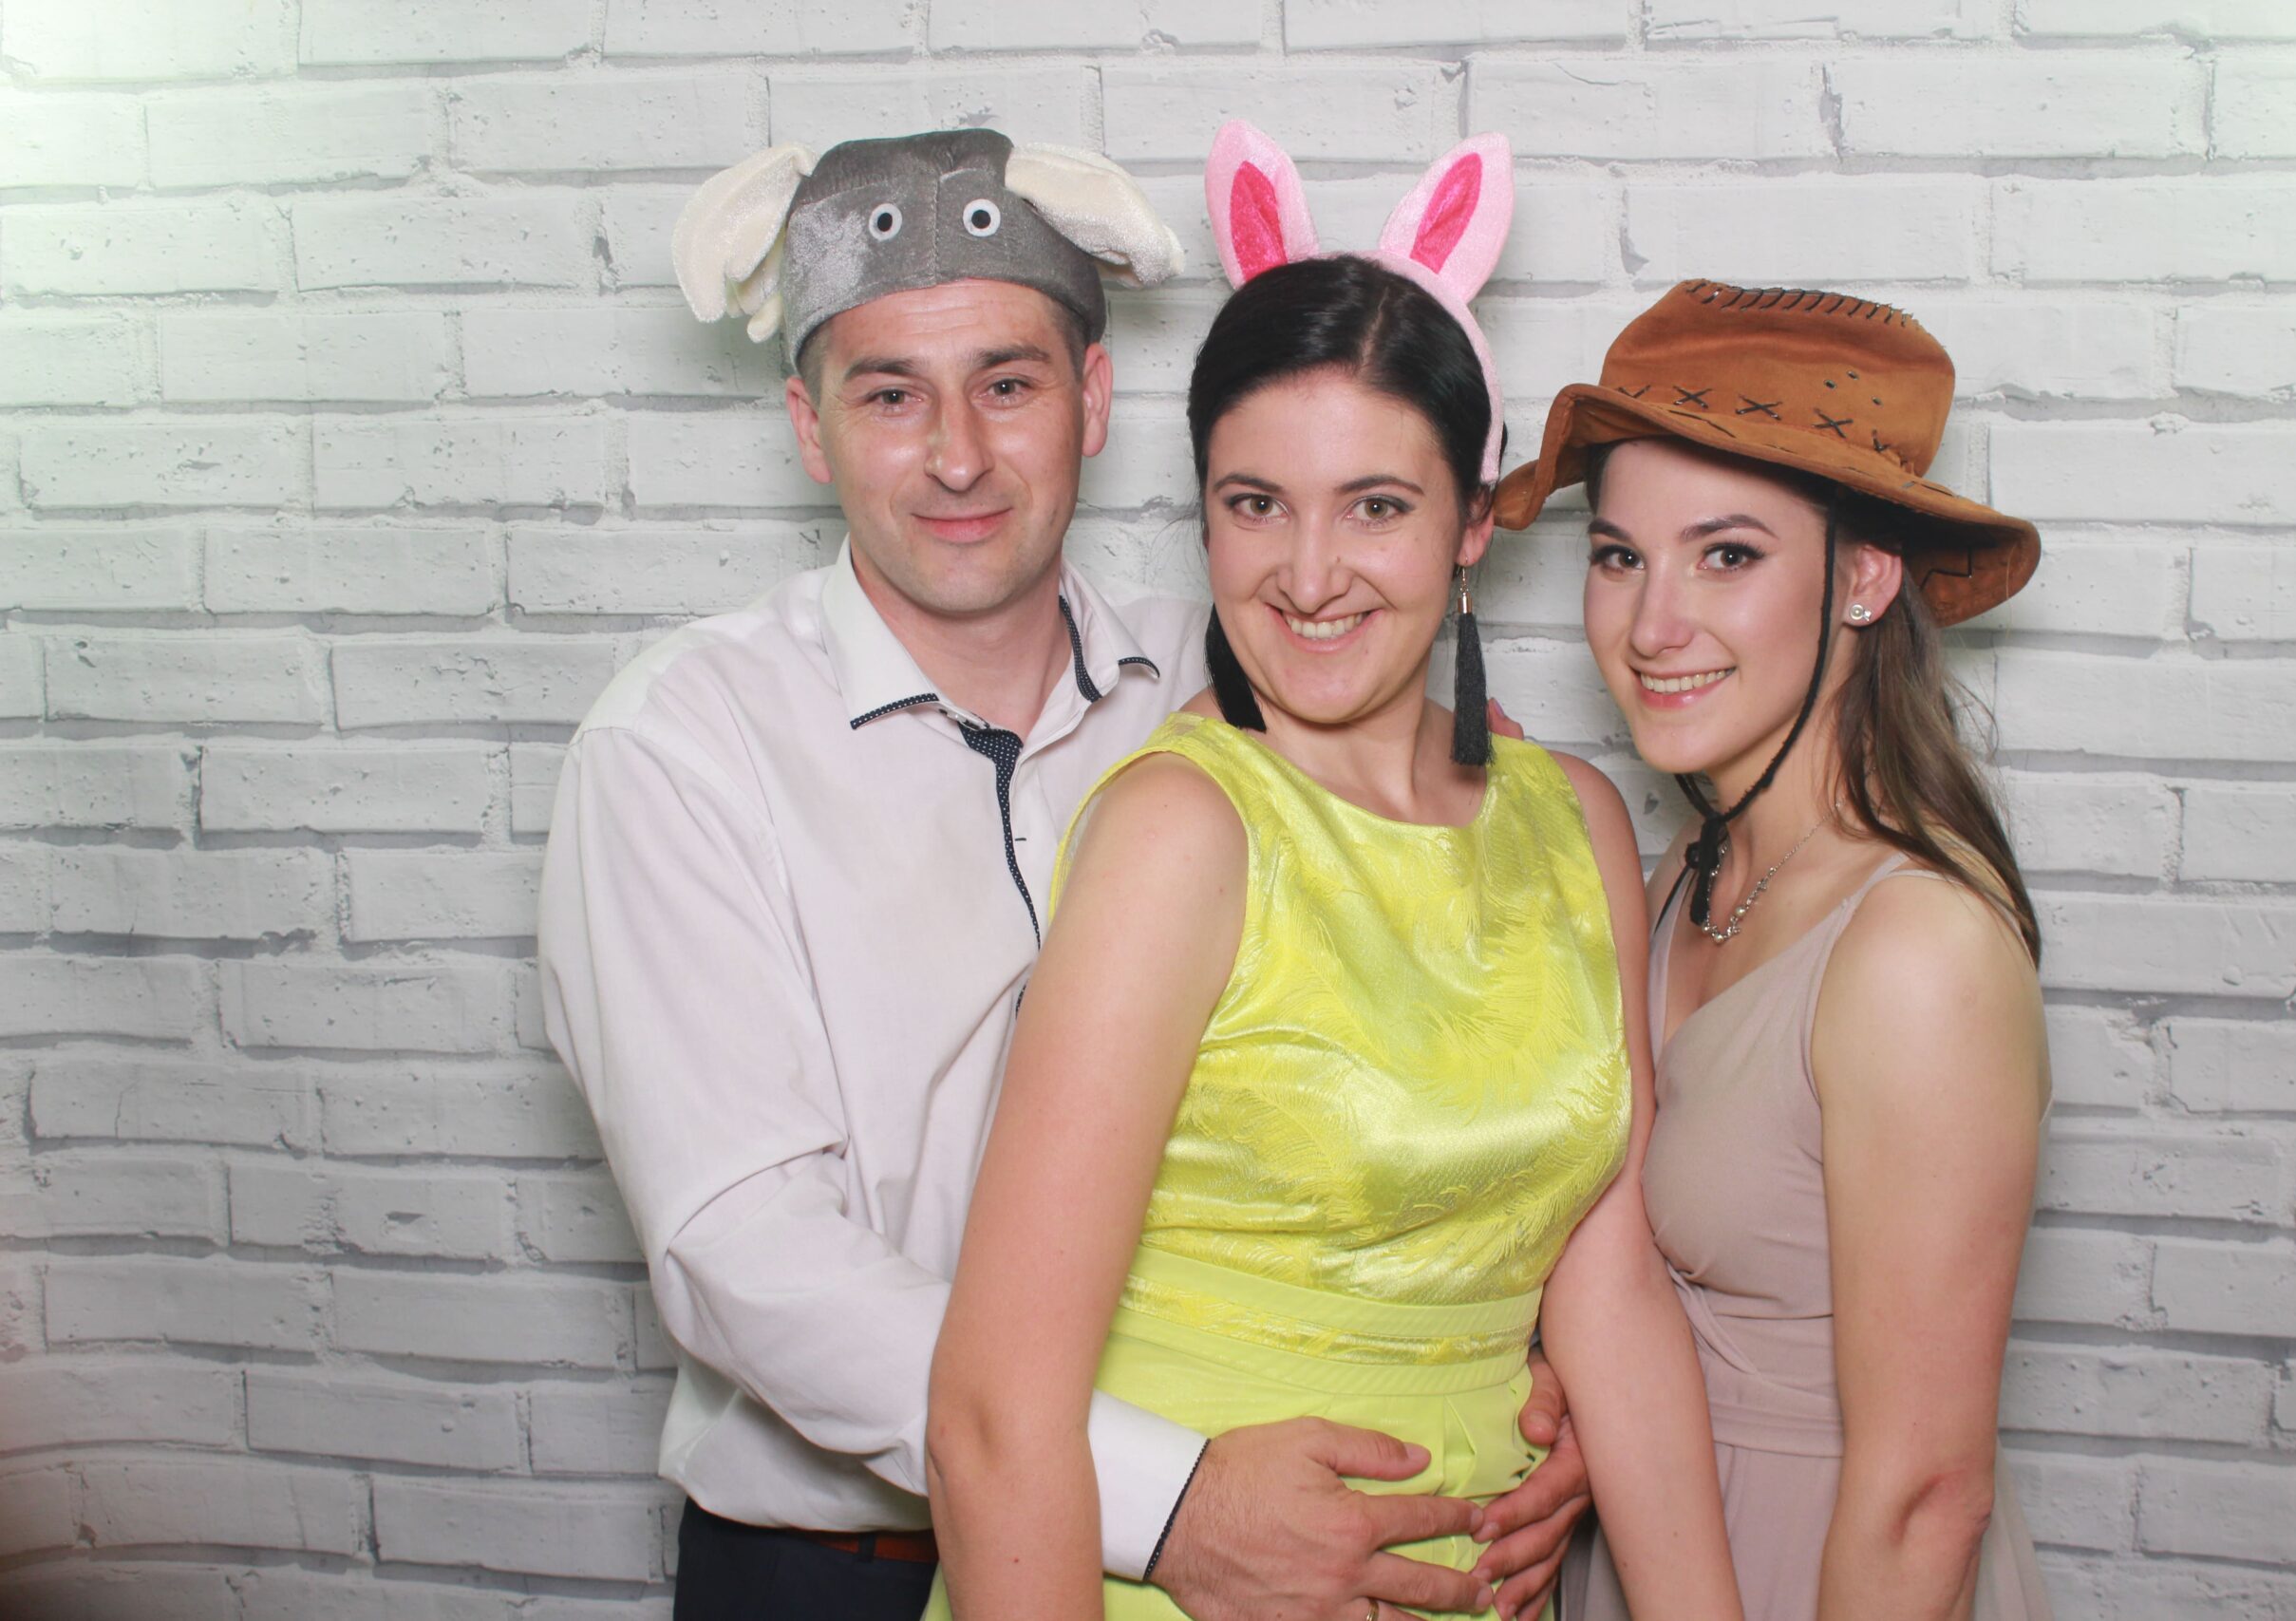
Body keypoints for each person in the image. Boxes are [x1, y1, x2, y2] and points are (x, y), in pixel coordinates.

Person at [536, 126, 1581, 1621]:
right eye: (890, 394)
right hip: (842, 1567)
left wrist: (1518, 1370)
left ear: (1093, 399)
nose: (958, 455)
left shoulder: (1261, 673)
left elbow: (1476, 996)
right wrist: (1169, 1495)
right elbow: (744, 1252)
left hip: (1279, 1547)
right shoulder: (683, 747)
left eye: (1008, 384)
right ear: (808, 426)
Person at [924, 124, 1742, 1621]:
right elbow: (993, 1418)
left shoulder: (1572, 823)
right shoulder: (1183, 833)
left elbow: (1611, 1287)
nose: (1307, 576)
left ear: (1474, 522)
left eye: (1375, 506)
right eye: (1255, 505)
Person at [1494, 279, 2056, 1620]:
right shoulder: (1679, 879)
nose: (1652, 626)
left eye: (1727, 556)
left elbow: (1928, 1498)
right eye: (1618, 555)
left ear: (1865, 577)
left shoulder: (1916, 949)